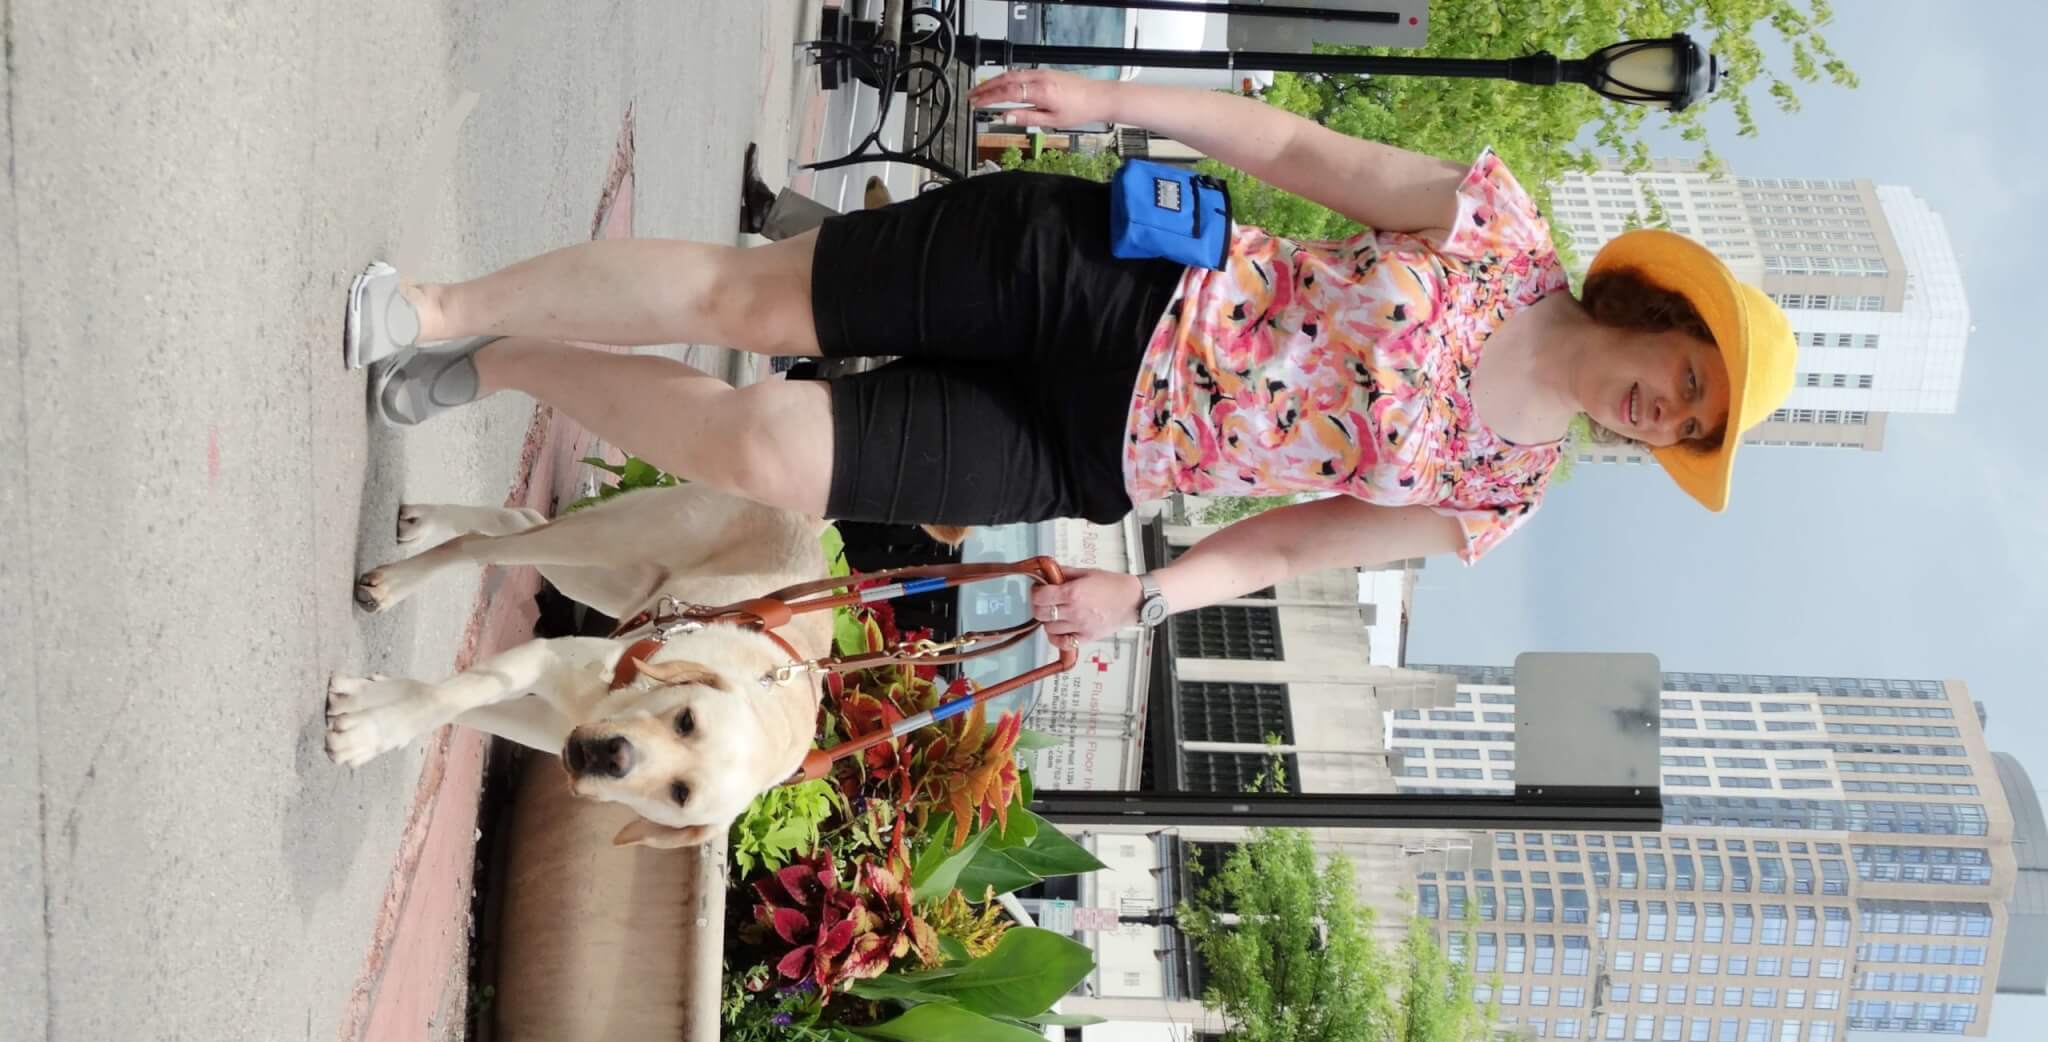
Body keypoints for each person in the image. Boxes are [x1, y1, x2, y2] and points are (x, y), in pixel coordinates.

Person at [344, 70, 1794, 643]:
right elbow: (1297, 148)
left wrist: (1148, 593)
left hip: (1101, 455)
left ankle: (519, 361)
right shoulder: (1495, 232)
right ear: (1662, 318)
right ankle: (443, 304)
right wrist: (1109, 99)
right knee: (753, 302)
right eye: (1685, 380)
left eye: (1685, 426)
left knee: (774, 454)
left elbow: (1285, 547)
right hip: (1107, 278)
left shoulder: (1499, 491)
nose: (1661, 409)